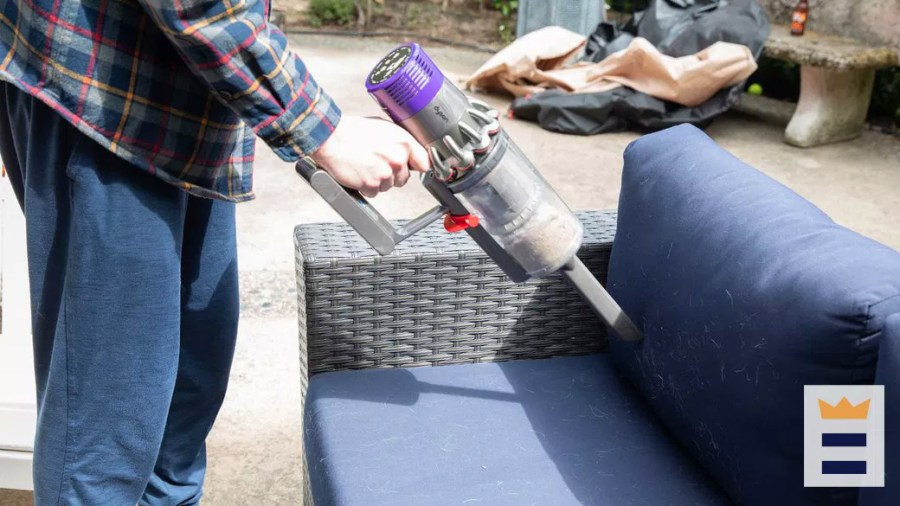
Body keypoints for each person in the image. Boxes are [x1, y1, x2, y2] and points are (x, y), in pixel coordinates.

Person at [0, 0, 429, 504]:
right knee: (107, 440)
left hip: (189, 107)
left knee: (182, 411)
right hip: (102, 98)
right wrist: (323, 129)